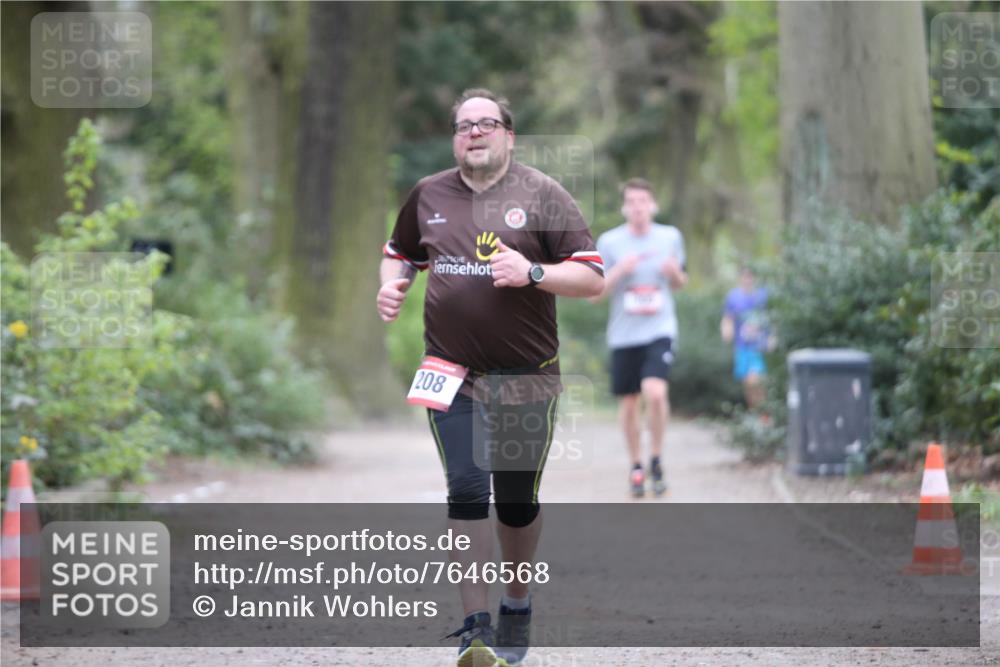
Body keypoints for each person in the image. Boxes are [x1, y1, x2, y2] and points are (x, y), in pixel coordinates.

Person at [376, 88, 604, 667]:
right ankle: (475, 627)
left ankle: (517, 603)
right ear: (455, 137)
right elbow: (399, 251)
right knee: (467, 489)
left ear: (509, 134)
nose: (473, 132)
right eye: (463, 125)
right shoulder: (428, 194)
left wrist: (530, 271)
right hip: (450, 373)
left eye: (486, 123)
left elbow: (592, 278)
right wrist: (391, 282)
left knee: (515, 501)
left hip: (527, 377)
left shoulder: (544, 195)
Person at [592, 179, 687, 498]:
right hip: (623, 334)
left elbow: (680, 283)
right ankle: (636, 464)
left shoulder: (670, 237)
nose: (638, 207)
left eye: (643, 201)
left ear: (653, 205)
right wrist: (619, 271)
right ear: (624, 207)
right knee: (630, 402)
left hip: (659, 329)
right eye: (631, 201)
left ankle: (656, 458)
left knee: (655, 392)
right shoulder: (610, 242)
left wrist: (673, 273)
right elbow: (594, 293)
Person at [721, 266, 770, 410]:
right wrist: (726, 330)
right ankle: (754, 412)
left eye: (750, 276)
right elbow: (727, 317)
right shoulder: (733, 297)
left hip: (759, 346)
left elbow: (772, 317)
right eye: (744, 276)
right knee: (747, 383)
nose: (747, 280)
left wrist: (772, 336)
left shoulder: (763, 295)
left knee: (756, 380)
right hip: (742, 346)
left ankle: (764, 413)